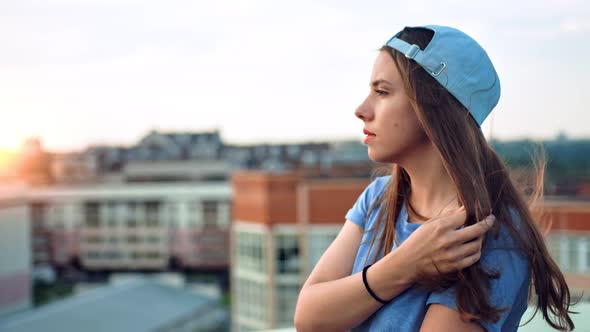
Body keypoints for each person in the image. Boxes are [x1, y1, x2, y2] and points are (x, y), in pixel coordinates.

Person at [294, 25, 574, 332]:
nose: (361, 109)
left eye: (382, 92)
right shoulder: (378, 198)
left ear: (433, 107)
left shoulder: (487, 233)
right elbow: (309, 317)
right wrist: (405, 265)